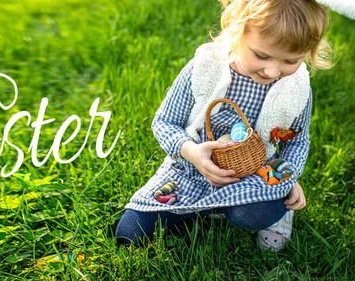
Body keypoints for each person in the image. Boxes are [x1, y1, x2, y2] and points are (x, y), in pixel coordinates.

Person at [116, 0, 333, 251]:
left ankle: (273, 210)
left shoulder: (295, 88)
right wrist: (191, 152)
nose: (273, 71)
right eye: (262, 55)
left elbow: (297, 141)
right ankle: (200, 208)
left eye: (290, 61)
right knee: (129, 234)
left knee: (255, 214)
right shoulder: (205, 68)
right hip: (191, 171)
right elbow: (164, 122)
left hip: (254, 174)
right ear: (237, 30)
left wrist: (286, 176)